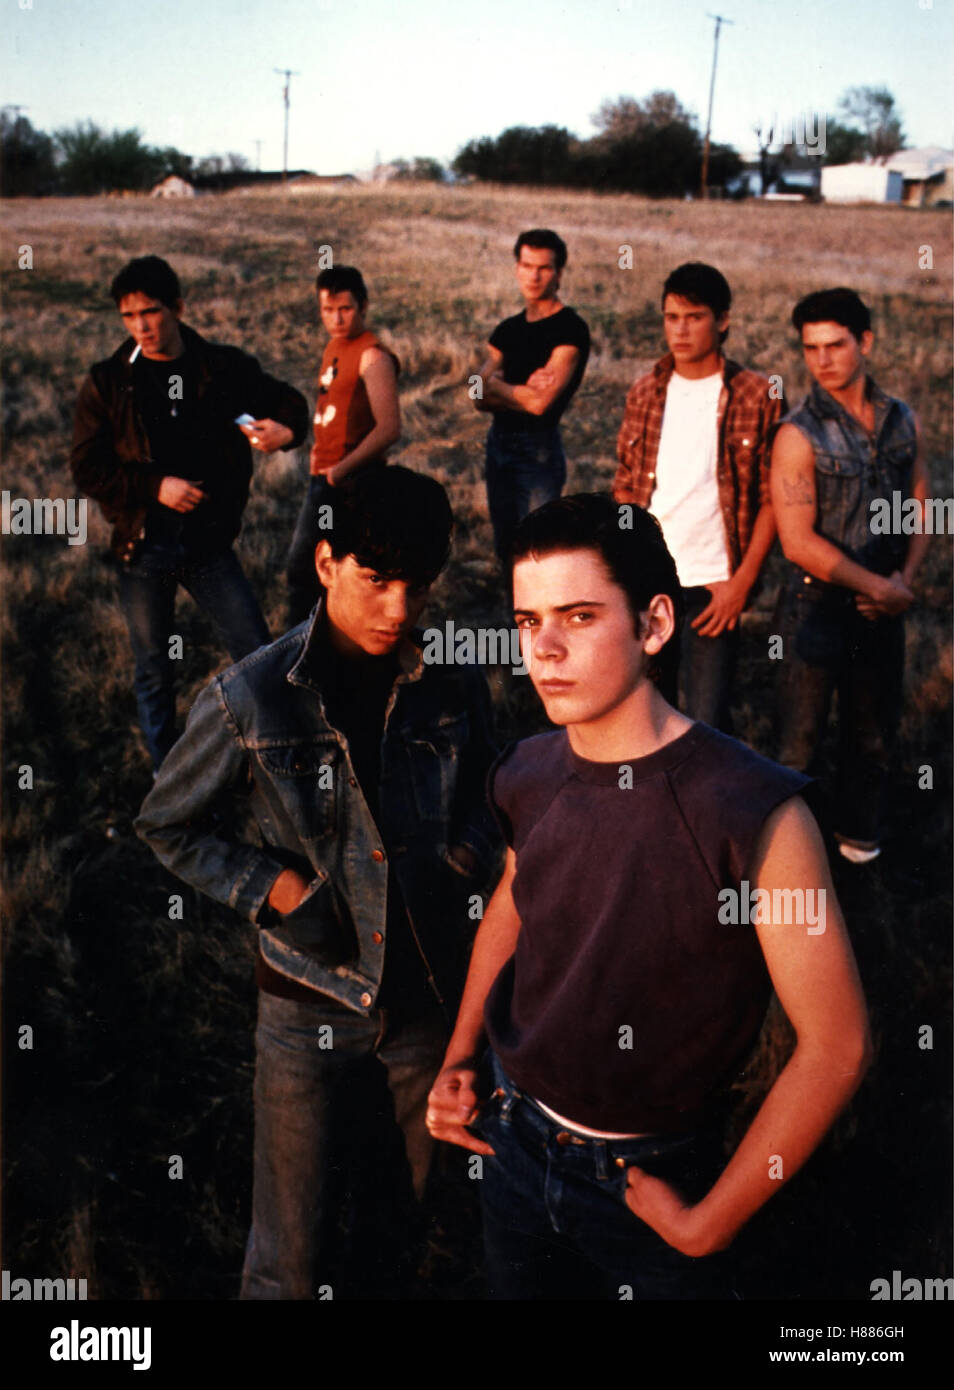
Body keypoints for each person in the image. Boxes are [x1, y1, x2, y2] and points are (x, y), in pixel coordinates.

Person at [426, 494, 871, 1300]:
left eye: (579, 617)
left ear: (655, 624)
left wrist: (709, 1225)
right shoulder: (527, 769)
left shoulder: (754, 811)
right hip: (514, 1143)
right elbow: (514, 904)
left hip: (657, 1180)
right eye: (527, 622)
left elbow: (837, 1045)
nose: (545, 649)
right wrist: (460, 1057)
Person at [135, 466, 499, 1299]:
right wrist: (275, 888)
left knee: (400, 1229)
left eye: (418, 585)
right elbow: (167, 824)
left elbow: (491, 788)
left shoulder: (452, 678)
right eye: (377, 580)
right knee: (288, 1261)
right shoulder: (252, 696)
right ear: (327, 562)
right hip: (306, 1008)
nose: (400, 609)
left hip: (424, 1002)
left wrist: (463, 859)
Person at [71, 254, 309, 771]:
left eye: (151, 312)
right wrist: (155, 486)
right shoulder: (110, 381)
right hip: (143, 545)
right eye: (129, 316)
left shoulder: (220, 368)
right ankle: (168, 774)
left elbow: (287, 401)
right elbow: (87, 467)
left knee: (255, 651)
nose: (141, 326)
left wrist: (288, 430)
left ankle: (279, 757)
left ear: (177, 307)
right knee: (154, 667)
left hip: (207, 543)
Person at [770, 288, 929, 864]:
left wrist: (903, 583)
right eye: (810, 348)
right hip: (816, 607)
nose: (822, 360)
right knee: (799, 745)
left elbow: (921, 506)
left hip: (884, 605)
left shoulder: (902, 420)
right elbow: (797, 541)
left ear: (866, 342)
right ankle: (790, 862)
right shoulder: (798, 433)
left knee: (872, 737)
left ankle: (860, 853)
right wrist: (877, 587)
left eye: (835, 345)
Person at [614, 262, 783, 731]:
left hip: (714, 587)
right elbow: (626, 485)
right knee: (649, 715)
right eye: (672, 318)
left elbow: (773, 498)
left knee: (706, 723)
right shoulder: (646, 391)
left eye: (694, 317)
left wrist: (741, 584)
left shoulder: (757, 395)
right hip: (650, 580)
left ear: (722, 320)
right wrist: (626, 563)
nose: (681, 330)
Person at [285, 265, 400, 625]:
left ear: (364, 306)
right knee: (319, 568)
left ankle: (303, 646)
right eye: (328, 310)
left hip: (349, 480)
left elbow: (389, 429)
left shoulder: (373, 356)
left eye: (345, 309)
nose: (336, 319)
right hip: (325, 475)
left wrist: (340, 471)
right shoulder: (335, 346)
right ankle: (319, 640)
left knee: (307, 569)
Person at [474, 229, 589, 566]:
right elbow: (476, 394)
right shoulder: (507, 330)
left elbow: (540, 404)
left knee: (537, 551)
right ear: (516, 268)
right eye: (526, 266)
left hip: (537, 452)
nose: (533, 276)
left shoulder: (570, 329)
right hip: (498, 444)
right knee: (505, 548)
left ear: (559, 273)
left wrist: (498, 385)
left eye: (544, 268)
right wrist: (518, 391)